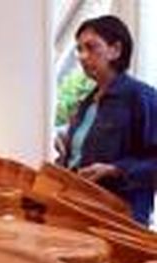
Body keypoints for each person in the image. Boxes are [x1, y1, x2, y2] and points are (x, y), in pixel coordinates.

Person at [60, 15, 157, 226]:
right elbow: (78, 159)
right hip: (79, 211)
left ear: (116, 50)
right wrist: (67, 153)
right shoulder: (86, 103)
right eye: (79, 49)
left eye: (91, 47)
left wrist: (116, 169)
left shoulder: (142, 97)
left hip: (120, 221)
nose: (82, 56)